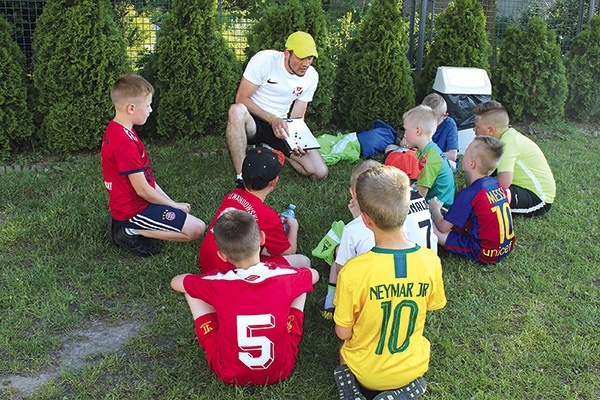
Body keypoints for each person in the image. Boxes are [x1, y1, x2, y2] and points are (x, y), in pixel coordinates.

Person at [333, 165, 447, 400]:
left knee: (343, 353)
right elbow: (431, 306)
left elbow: (343, 332)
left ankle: (354, 391)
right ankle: (406, 388)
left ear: (365, 219)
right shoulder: (430, 261)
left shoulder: (353, 271)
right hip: (412, 368)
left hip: (364, 371)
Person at [171, 209, 319, 386]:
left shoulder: (215, 283)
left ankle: (216, 323)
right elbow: (314, 274)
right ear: (262, 239)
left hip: (228, 372)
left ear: (222, 255)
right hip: (281, 369)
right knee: (301, 284)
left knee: (192, 289)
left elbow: (176, 282)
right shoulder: (284, 277)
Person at [101, 74, 206, 256]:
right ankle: (129, 231)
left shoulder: (118, 129)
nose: (151, 110)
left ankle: (130, 225)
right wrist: (174, 206)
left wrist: (172, 204)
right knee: (197, 229)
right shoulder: (125, 143)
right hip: (133, 210)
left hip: (136, 203)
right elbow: (143, 191)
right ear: (131, 108)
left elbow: (146, 179)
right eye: (148, 105)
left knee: (191, 221)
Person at [225, 31, 328, 186]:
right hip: (253, 121)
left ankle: (273, 149)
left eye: (310, 57)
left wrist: (297, 142)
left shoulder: (311, 76)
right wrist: (272, 119)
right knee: (236, 110)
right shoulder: (264, 60)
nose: (306, 63)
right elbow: (241, 98)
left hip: (280, 128)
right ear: (287, 53)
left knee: (320, 172)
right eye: (301, 57)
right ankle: (242, 177)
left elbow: (297, 117)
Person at [198, 146, 309, 274]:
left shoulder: (233, 195)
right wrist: (293, 227)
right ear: (274, 181)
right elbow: (288, 252)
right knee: (303, 262)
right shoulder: (267, 215)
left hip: (209, 261)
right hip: (231, 273)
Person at [429, 136, 516, 264]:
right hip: (505, 247)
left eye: (466, 152)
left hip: (483, 252)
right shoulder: (497, 185)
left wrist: (435, 209)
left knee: (433, 227)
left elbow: (443, 228)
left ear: (471, 164)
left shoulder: (469, 194)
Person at [473, 100, 555, 216]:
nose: (474, 130)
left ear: (491, 130)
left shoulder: (507, 144)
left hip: (539, 199)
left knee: (484, 201)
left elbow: (504, 182)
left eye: (477, 126)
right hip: (519, 187)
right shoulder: (506, 137)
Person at [402, 105, 455, 208]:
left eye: (406, 130)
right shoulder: (428, 150)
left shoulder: (429, 160)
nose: (404, 135)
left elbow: (419, 197)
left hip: (439, 211)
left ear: (418, 131)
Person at [421, 93, 459, 172]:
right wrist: (405, 141)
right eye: (426, 118)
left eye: (434, 120)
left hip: (439, 159)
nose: (429, 122)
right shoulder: (419, 119)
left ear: (444, 116)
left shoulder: (450, 125)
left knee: (451, 164)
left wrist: (428, 156)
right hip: (421, 158)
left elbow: (452, 155)